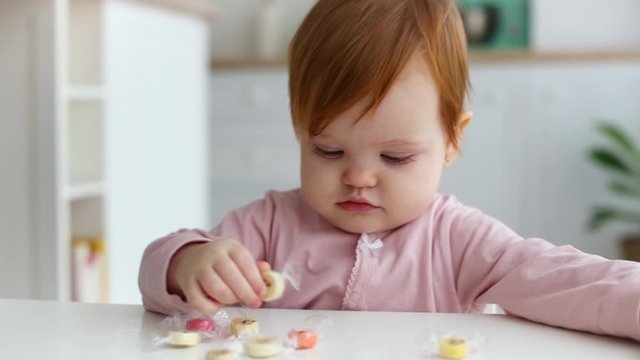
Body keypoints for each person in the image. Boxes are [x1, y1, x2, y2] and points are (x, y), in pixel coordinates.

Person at [138, 0, 640, 341]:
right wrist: (189, 263)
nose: (359, 177)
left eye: (395, 157)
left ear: (452, 141)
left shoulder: (459, 241)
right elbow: (157, 272)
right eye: (328, 151)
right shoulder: (267, 225)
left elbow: (568, 281)